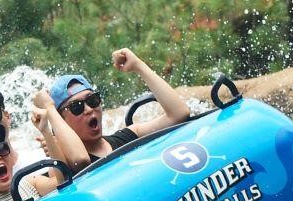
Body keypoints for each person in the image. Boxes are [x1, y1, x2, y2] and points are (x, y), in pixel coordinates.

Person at [50, 48, 191, 163]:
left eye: (92, 100)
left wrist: (138, 66)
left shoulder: (127, 138)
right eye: (77, 107)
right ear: (61, 121)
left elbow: (179, 114)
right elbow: (80, 161)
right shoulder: (65, 170)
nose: (88, 109)